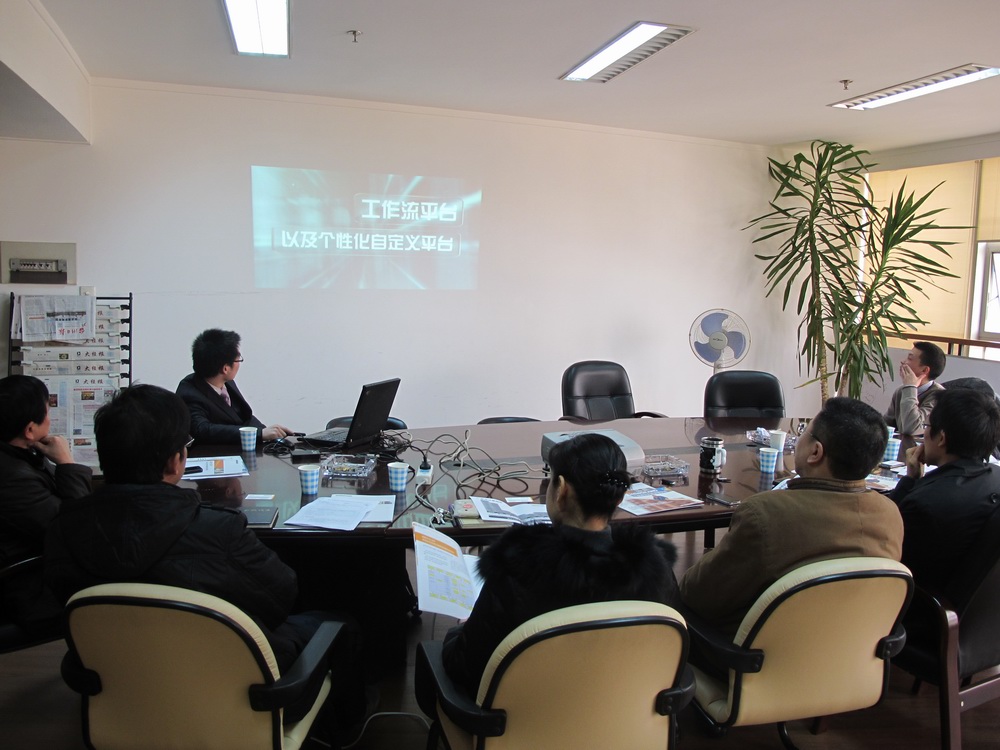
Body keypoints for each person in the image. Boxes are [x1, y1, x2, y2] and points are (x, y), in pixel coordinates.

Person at [44, 384, 362, 727]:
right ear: (176, 460)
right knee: (340, 624)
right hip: (242, 695)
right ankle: (348, 727)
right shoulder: (218, 530)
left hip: (123, 697)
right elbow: (282, 598)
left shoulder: (63, 529)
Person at [442, 432, 680, 696]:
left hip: (526, 717)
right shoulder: (655, 572)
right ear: (619, 497)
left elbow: (465, 668)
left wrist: (458, 633)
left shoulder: (518, 570)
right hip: (626, 715)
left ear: (562, 490)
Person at [681, 397, 903, 643]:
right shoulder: (890, 514)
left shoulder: (765, 514)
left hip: (755, 657)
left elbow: (697, 595)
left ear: (815, 452)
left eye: (803, 433)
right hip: (853, 655)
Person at [0, 375, 92, 627]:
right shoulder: (14, 479)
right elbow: (77, 531)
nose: (51, 420)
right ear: (30, 430)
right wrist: (67, 463)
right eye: (48, 413)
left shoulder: (20, 455)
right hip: (28, 587)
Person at [889, 388, 1000, 592]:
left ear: (941, 438)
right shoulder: (995, 477)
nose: (924, 433)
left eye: (926, 426)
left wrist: (909, 481)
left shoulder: (925, 503)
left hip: (914, 601)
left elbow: (886, 543)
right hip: (968, 600)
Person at [176, 328, 293, 445]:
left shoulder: (226, 381)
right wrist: (258, 433)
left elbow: (244, 417)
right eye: (238, 359)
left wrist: (270, 434)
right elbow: (203, 430)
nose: (239, 363)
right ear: (225, 369)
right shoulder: (189, 392)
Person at [885, 342, 947, 436]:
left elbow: (911, 428)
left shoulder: (939, 397)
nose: (903, 361)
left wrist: (910, 387)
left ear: (924, 370)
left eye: (910, 358)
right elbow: (886, 425)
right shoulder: (901, 391)